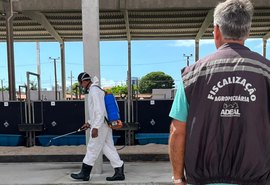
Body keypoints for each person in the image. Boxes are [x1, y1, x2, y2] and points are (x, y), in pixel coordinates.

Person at [169, 0, 270, 185]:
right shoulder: (266, 71)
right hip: (255, 179)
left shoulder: (192, 75)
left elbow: (177, 131)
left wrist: (178, 178)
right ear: (247, 32)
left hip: (202, 178)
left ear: (216, 30)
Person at [70, 72, 125, 181]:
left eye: (81, 83)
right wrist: (89, 122)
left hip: (100, 126)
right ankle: (119, 170)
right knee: (107, 147)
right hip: (104, 124)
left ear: (84, 81)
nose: (81, 86)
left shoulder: (94, 91)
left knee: (92, 147)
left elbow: (100, 111)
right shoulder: (97, 90)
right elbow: (96, 111)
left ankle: (85, 173)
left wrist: (95, 127)